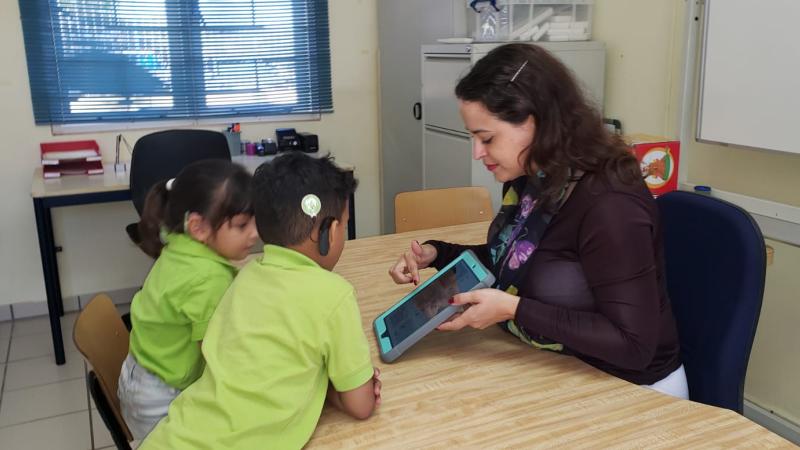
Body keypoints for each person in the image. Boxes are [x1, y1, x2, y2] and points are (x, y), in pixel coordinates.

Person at [388, 43, 687, 398]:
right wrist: (436, 254)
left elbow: (633, 344)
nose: (477, 153)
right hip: (561, 367)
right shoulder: (534, 174)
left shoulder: (609, 204)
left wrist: (513, 309)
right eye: (473, 137)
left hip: (632, 389)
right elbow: (519, 261)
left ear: (536, 122)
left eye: (487, 138)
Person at [141, 152, 381, 449]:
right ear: (329, 232)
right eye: (344, 224)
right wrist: (358, 385)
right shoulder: (336, 295)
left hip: (173, 434)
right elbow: (361, 406)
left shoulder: (243, 278)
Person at [118, 159, 259, 439]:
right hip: (159, 398)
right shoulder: (208, 278)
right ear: (198, 227)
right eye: (242, 225)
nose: (255, 234)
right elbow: (218, 357)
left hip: (141, 374)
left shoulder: (178, 243)